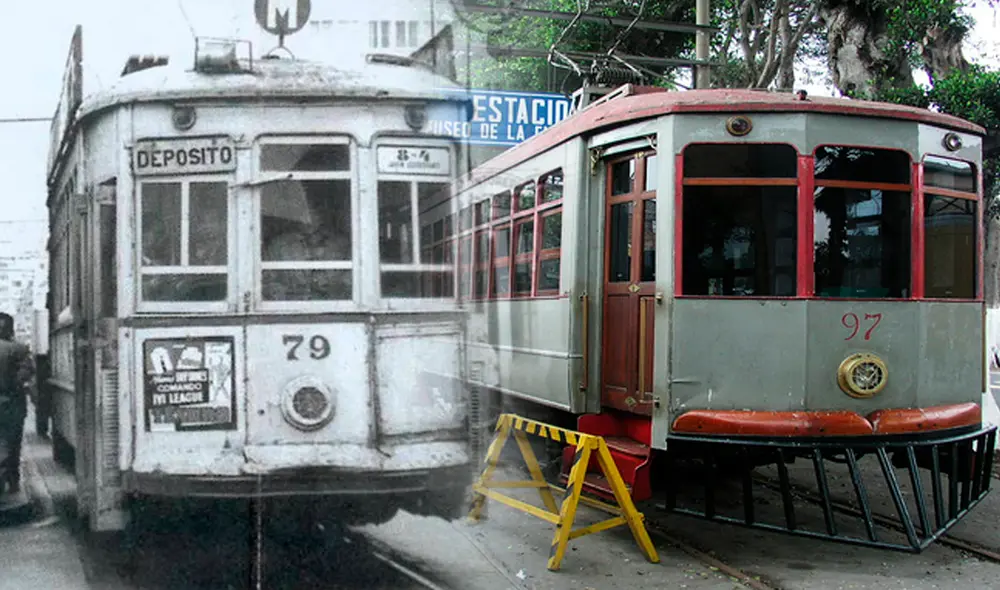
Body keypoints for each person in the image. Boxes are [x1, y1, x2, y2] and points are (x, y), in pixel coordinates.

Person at [0, 313, 34, 494]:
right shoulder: (19, 349)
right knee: (13, 444)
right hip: (12, 404)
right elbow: (27, 373)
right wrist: (14, 384)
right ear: (10, 329)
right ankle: (12, 481)